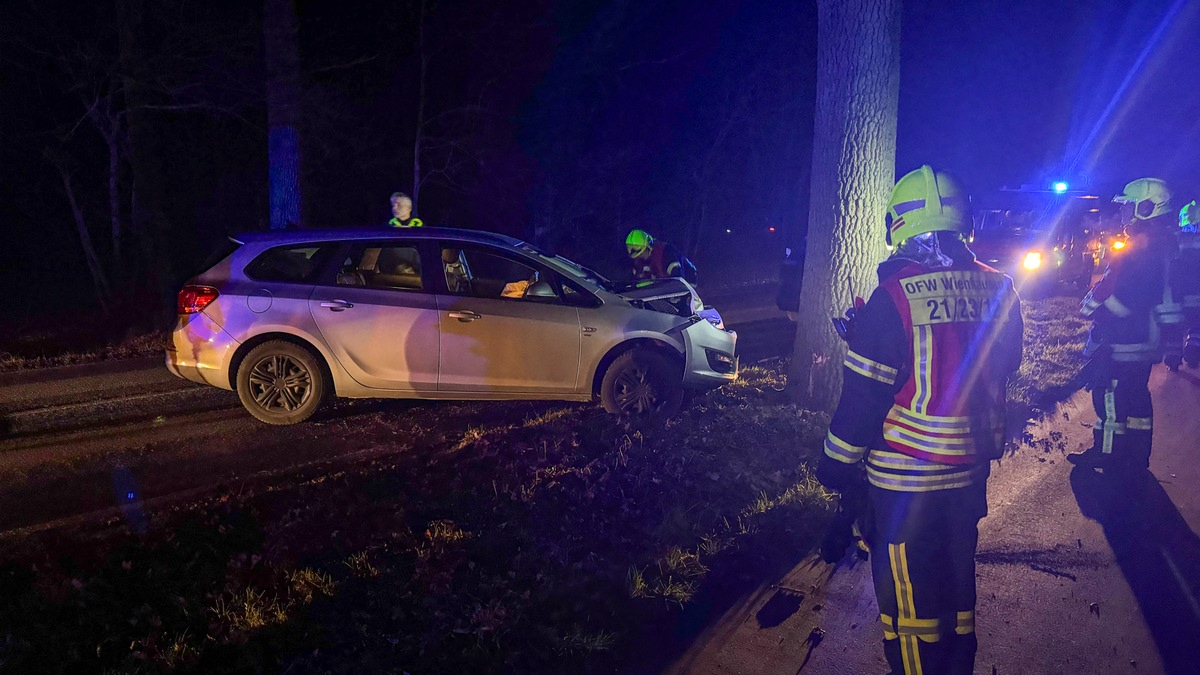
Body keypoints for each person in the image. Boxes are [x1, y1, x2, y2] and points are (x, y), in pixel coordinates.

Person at [816, 165, 1023, 675]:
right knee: (956, 595)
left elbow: (862, 403)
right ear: (964, 223)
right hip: (969, 476)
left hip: (904, 486)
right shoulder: (1001, 288)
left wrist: (833, 466)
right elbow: (1008, 363)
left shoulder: (891, 299)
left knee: (911, 612)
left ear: (899, 225)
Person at [1069, 178, 1178, 468]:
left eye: (1128, 207)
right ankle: (1134, 456)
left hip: (1126, 337)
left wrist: (1101, 313)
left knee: (1110, 398)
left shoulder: (1144, 246)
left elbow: (1129, 296)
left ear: (1146, 207)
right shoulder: (1159, 242)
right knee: (1136, 399)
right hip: (1143, 337)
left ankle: (1107, 456)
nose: (1123, 213)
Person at [1174, 200, 1200, 367]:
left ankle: (1173, 357)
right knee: (1196, 326)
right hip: (1195, 292)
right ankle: (1192, 351)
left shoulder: (1177, 239)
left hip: (1179, 292)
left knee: (1176, 326)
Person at [625, 229, 697, 284]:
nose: (640, 256)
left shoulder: (666, 253)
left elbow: (677, 279)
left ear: (649, 246)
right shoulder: (638, 263)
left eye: (641, 253)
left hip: (688, 286)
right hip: (662, 292)